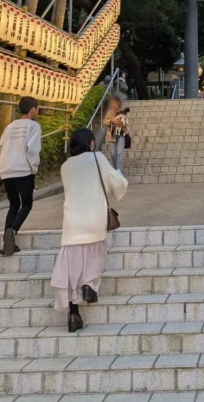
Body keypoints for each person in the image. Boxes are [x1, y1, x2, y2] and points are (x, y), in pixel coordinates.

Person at [52, 128, 127, 333]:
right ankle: (89, 286)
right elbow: (116, 184)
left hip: (72, 223)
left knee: (71, 267)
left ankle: (74, 314)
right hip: (93, 219)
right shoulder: (97, 158)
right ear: (91, 144)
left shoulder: (66, 166)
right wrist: (121, 178)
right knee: (94, 256)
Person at [0, 96, 42, 256]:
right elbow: (32, 150)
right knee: (26, 204)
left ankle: (8, 242)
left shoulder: (9, 127)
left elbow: (0, 150)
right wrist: (33, 169)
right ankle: (12, 232)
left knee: (14, 205)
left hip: (6, 171)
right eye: (37, 109)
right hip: (23, 170)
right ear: (33, 109)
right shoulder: (33, 126)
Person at [101, 96, 130, 173]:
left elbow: (127, 124)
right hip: (112, 135)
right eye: (112, 103)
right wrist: (111, 121)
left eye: (114, 103)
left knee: (119, 152)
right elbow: (105, 121)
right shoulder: (110, 112)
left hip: (121, 135)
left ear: (118, 103)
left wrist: (120, 123)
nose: (112, 104)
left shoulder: (123, 111)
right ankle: (115, 169)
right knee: (113, 154)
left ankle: (119, 170)